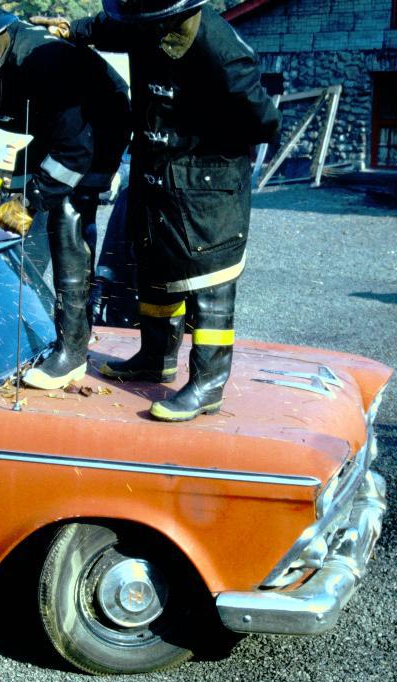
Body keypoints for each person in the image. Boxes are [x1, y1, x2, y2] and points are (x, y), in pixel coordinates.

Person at [32, 0, 281, 421]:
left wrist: (197, 133)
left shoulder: (221, 48)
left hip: (208, 184)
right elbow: (110, 28)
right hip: (157, 171)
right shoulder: (143, 20)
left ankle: (208, 383)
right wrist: (73, 30)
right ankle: (154, 357)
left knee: (209, 279)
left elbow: (263, 122)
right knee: (156, 266)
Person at [0, 2, 131, 390]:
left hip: (97, 124)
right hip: (55, 126)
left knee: (66, 213)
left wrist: (30, 202)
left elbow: (73, 152)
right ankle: (28, 319)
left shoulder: (43, 63)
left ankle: (72, 351)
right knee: (6, 205)